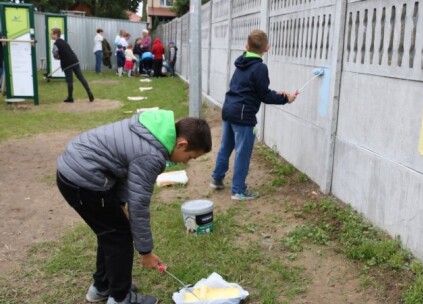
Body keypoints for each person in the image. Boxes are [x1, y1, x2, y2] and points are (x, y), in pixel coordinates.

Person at [56, 110, 212, 304]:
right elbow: (139, 206)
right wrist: (145, 252)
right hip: (83, 180)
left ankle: (102, 287)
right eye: (190, 157)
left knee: (110, 232)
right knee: (119, 236)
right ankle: (120, 298)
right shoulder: (152, 155)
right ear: (182, 144)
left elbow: (122, 168)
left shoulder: (150, 131)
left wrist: (119, 204)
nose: (186, 162)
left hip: (74, 170)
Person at [210, 29, 296, 200]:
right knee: (243, 152)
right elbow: (264, 95)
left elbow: (253, 90)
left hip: (228, 110)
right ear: (267, 48)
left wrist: (280, 95)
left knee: (226, 147)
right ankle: (238, 190)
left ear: (246, 46)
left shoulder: (240, 63)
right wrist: (286, 98)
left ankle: (217, 179)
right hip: (243, 117)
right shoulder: (260, 68)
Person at [51, 28, 94, 103]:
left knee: (69, 81)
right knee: (81, 78)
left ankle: (70, 98)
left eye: (51, 34)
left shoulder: (55, 44)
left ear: (55, 34)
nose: (51, 35)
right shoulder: (64, 42)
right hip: (75, 61)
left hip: (67, 64)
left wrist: (60, 57)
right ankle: (90, 93)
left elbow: (55, 55)